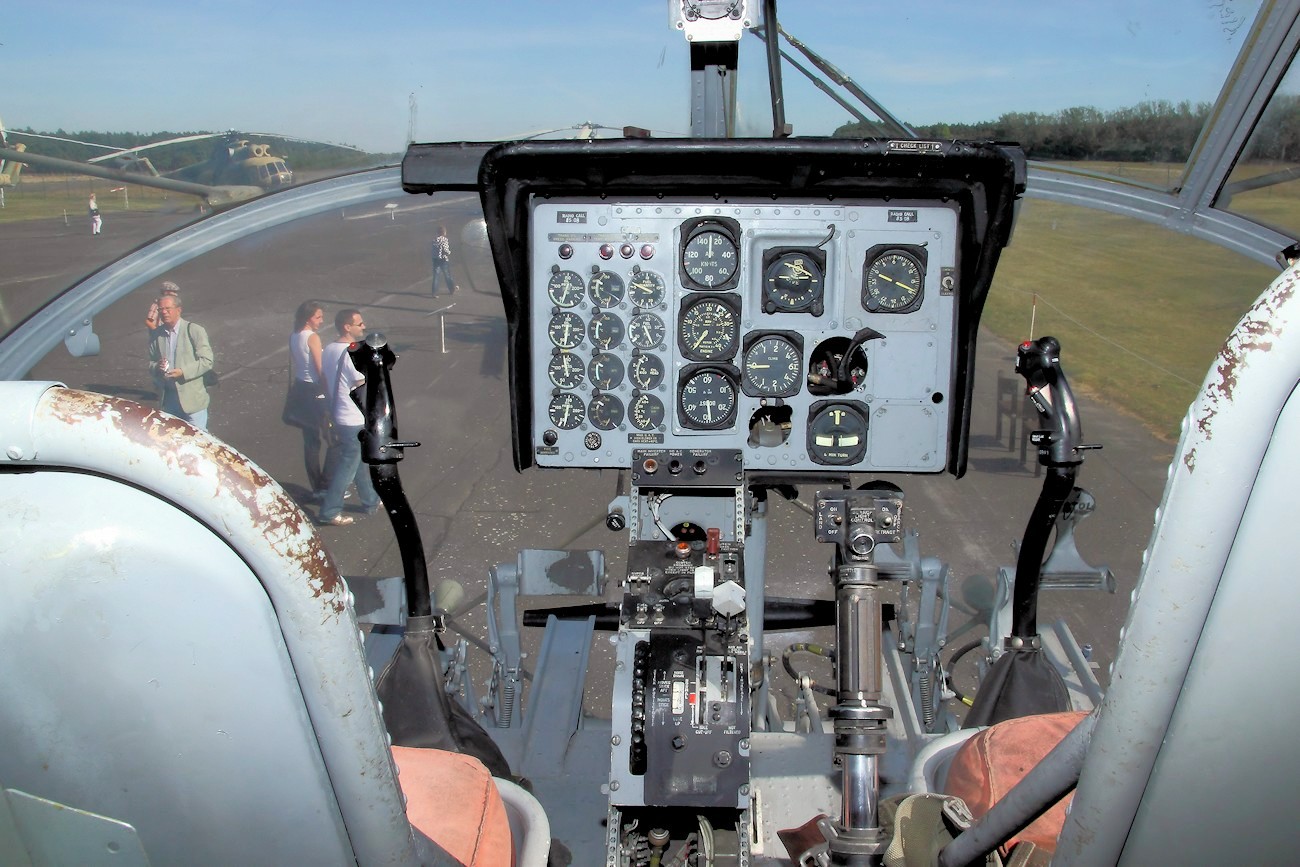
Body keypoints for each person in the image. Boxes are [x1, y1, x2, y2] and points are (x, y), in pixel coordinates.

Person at [317, 308, 381, 526]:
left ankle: (370, 500)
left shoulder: (329, 349)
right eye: (359, 323)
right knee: (347, 468)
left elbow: (326, 378)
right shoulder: (352, 353)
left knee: (359, 460)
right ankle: (329, 511)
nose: (363, 327)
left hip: (340, 413)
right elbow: (362, 382)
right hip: (353, 416)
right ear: (347, 327)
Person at [282, 301, 330, 496]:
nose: (321, 320)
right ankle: (326, 484)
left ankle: (317, 484)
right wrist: (329, 392)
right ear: (308, 318)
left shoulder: (294, 335)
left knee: (310, 440)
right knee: (332, 437)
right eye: (318, 317)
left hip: (301, 388)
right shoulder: (312, 337)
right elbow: (320, 368)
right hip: (314, 390)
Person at [147, 289, 213, 430]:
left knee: (198, 440)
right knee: (172, 440)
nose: (164, 312)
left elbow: (207, 361)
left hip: (192, 402)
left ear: (179, 310)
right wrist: (156, 367)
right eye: (161, 309)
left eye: (168, 309)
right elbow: (151, 363)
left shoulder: (194, 330)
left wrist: (183, 372)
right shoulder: (156, 335)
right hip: (169, 401)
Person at [431, 225, 459, 296]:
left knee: (436, 276)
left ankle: (434, 292)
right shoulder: (444, 240)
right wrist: (449, 252)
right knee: (447, 275)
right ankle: (452, 289)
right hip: (443, 259)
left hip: (435, 259)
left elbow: (433, 250)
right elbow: (445, 250)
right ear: (444, 232)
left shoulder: (434, 240)